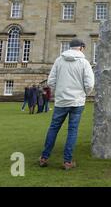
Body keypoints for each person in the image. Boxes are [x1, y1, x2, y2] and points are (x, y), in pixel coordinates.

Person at [39, 39, 94, 170]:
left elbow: (51, 81)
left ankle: (44, 158)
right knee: (72, 130)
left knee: (53, 128)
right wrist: (83, 93)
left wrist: (60, 91)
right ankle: (67, 161)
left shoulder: (59, 60)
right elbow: (90, 84)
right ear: (81, 48)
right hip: (77, 101)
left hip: (61, 101)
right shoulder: (84, 63)